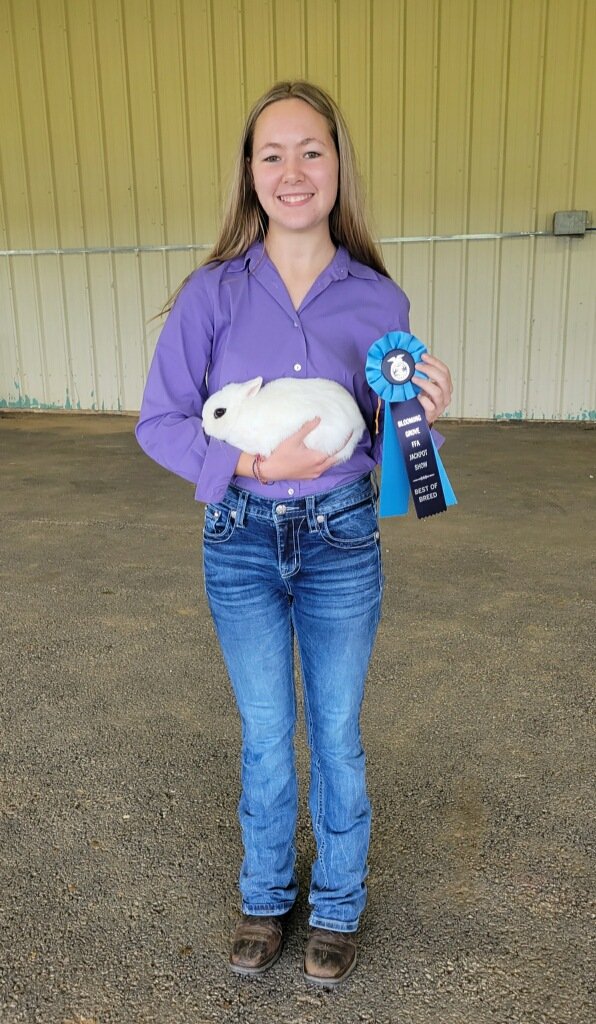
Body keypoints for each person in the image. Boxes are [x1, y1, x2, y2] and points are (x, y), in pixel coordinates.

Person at [136, 80, 452, 987]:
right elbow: (160, 422)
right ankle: (267, 895)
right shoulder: (212, 293)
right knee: (268, 731)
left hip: (343, 539)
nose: (292, 170)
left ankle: (340, 905)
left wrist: (421, 416)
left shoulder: (378, 298)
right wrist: (247, 470)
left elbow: (384, 438)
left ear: (338, 163)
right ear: (249, 173)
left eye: (310, 149)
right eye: (271, 153)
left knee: (338, 732)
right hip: (238, 537)